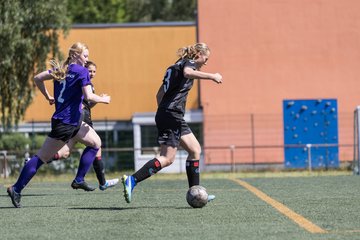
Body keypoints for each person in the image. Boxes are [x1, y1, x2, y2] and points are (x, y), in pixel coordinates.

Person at [7, 42, 111, 208]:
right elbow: (89, 96)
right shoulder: (81, 71)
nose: (87, 59)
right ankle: (16, 188)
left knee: (95, 143)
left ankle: (79, 179)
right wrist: (104, 99)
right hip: (66, 123)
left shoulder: (61, 70)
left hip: (73, 121)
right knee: (41, 158)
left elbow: (37, 78)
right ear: (76, 55)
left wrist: (48, 96)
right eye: (85, 56)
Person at [121, 43, 222, 203]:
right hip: (171, 115)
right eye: (206, 58)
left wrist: (164, 112)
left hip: (170, 115)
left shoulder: (174, 66)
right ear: (198, 55)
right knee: (167, 158)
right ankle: (132, 180)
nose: (206, 62)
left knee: (195, 149)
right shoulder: (188, 64)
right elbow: (188, 73)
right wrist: (212, 76)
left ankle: (196, 192)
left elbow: (159, 94)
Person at [50, 61, 119, 191]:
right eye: (89, 71)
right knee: (96, 145)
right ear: (84, 70)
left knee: (64, 152)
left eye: (94, 71)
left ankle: (36, 160)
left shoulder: (88, 84)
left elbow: (87, 102)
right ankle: (99, 182)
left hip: (77, 120)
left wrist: (96, 100)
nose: (91, 73)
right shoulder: (82, 81)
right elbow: (83, 100)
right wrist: (102, 99)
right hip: (81, 120)